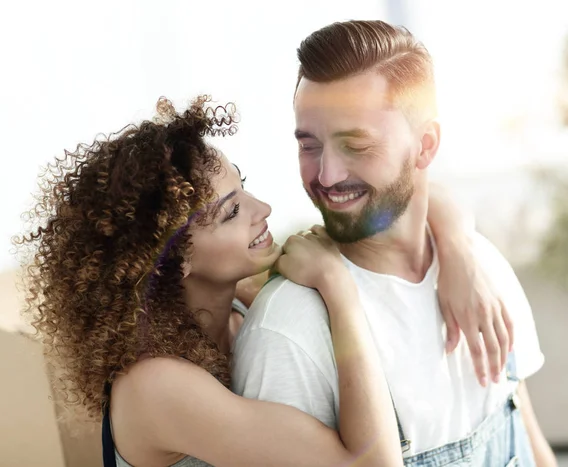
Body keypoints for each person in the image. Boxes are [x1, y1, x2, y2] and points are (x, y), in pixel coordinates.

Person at [16, 95, 512, 467]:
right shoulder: (156, 385)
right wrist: (340, 294)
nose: (264, 210)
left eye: (244, 188)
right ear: (170, 261)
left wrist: (459, 252)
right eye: (232, 211)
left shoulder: (237, 307)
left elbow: (412, 197)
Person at [232, 19, 558, 467]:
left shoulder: (481, 268)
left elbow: (528, 438)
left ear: (425, 145)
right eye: (310, 146)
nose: (326, 176)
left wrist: (458, 243)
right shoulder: (289, 331)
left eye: (356, 145)